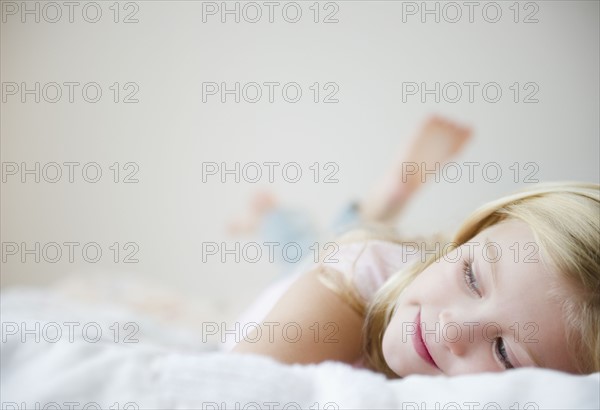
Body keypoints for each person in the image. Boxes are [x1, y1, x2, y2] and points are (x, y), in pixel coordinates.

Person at [229, 117, 600, 378]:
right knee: (303, 245)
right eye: (471, 277)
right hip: (354, 269)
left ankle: (381, 209)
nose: (453, 330)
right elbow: (238, 387)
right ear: (471, 235)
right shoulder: (358, 277)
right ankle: (272, 212)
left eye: (503, 352)